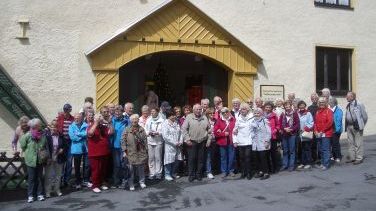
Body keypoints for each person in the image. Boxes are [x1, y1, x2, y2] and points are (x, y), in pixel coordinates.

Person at [20, 118, 48, 203]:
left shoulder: (43, 135)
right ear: (36, 126)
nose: (41, 126)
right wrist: (29, 152)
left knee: (39, 178)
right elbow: (23, 145)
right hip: (30, 160)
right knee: (31, 179)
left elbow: (44, 145)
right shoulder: (27, 135)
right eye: (40, 124)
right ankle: (31, 195)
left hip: (40, 159)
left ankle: (40, 194)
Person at [181, 104, 210, 182]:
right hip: (192, 142)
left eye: (200, 109)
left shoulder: (204, 117)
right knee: (191, 159)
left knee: (200, 159)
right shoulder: (189, 117)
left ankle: (198, 175)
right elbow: (184, 129)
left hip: (202, 141)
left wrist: (209, 140)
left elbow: (209, 130)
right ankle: (191, 175)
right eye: (197, 109)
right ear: (193, 110)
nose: (198, 111)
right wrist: (187, 139)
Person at [87, 109, 113, 193]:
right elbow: (90, 133)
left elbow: (111, 132)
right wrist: (96, 123)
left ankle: (101, 183)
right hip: (94, 153)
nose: (101, 119)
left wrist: (109, 123)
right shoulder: (90, 126)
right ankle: (95, 185)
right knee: (96, 170)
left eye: (101, 118)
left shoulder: (104, 127)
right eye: (99, 117)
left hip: (104, 152)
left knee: (102, 169)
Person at [121, 114, 148, 191]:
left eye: (136, 119)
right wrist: (124, 150)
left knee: (141, 168)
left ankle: (142, 182)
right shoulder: (127, 129)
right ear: (130, 120)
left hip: (141, 152)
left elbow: (145, 141)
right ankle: (131, 184)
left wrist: (146, 150)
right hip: (130, 152)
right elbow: (122, 140)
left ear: (138, 120)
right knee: (130, 169)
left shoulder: (142, 129)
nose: (135, 121)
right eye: (133, 119)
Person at [45, 120, 67, 198]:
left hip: (59, 157)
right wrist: (48, 157)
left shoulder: (61, 136)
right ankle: (48, 191)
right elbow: (44, 148)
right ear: (50, 127)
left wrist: (62, 149)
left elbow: (65, 145)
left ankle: (57, 189)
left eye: (56, 126)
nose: (54, 128)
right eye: (52, 126)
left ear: (58, 127)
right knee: (49, 175)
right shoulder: (46, 136)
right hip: (50, 158)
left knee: (58, 175)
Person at [345, 91, 368, 164]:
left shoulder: (359, 104)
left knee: (358, 142)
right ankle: (352, 157)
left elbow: (365, 117)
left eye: (347, 96)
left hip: (357, 126)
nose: (346, 97)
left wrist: (361, 125)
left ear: (352, 97)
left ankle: (359, 158)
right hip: (349, 126)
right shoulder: (348, 105)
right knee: (350, 142)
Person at [68, 113, 90, 189]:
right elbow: (72, 137)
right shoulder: (71, 126)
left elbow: (87, 134)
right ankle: (78, 181)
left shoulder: (86, 125)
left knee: (86, 165)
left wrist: (79, 134)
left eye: (78, 118)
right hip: (76, 149)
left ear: (81, 118)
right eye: (75, 118)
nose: (76, 119)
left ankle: (85, 180)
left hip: (86, 148)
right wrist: (82, 137)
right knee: (77, 167)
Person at [233, 103, 253, 179]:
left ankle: (249, 173)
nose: (242, 111)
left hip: (249, 141)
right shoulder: (238, 118)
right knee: (242, 158)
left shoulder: (252, 117)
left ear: (247, 110)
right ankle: (243, 172)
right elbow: (235, 130)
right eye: (241, 109)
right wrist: (235, 141)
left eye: (244, 109)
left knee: (248, 157)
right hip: (240, 141)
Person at [214, 107, 236, 178]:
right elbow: (215, 132)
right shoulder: (219, 121)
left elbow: (237, 129)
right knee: (223, 157)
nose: (225, 113)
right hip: (222, 142)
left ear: (229, 112)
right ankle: (224, 171)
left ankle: (231, 170)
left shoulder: (233, 120)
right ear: (221, 113)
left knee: (231, 157)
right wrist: (223, 134)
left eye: (227, 111)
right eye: (223, 112)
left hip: (231, 141)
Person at [161, 110, 183, 181]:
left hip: (177, 145)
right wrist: (174, 142)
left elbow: (181, 132)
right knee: (169, 160)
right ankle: (167, 174)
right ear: (169, 116)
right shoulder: (165, 124)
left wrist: (180, 141)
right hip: (170, 145)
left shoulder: (176, 123)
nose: (174, 116)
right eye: (173, 115)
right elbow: (165, 136)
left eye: (174, 115)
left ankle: (173, 173)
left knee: (176, 160)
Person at [111, 105, 129, 188]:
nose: (117, 113)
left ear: (122, 112)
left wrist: (128, 122)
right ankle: (116, 182)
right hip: (115, 146)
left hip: (124, 147)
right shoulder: (112, 120)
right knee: (116, 165)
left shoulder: (127, 121)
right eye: (116, 112)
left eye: (119, 111)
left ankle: (125, 181)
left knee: (124, 165)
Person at [251, 108, 271, 180]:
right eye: (255, 113)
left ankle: (266, 173)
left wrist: (267, 141)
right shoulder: (252, 121)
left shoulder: (264, 121)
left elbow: (268, 132)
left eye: (258, 113)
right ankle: (260, 171)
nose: (256, 114)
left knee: (263, 158)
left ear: (261, 114)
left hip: (263, 142)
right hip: (255, 143)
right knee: (257, 158)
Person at [57, 103, 74, 187]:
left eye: (68, 109)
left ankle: (67, 180)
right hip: (62, 141)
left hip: (70, 142)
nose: (66, 111)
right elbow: (55, 127)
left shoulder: (72, 119)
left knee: (69, 161)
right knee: (62, 162)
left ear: (70, 110)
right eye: (65, 109)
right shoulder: (59, 118)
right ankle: (60, 180)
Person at [280, 100, 300, 171]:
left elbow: (297, 124)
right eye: (286, 105)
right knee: (285, 151)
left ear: (291, 105)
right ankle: (285, 165)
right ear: (284, 107)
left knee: (292, 150)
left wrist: (291, 129)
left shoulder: (295, 114)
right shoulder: (282, 114)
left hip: (292, 134)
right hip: (284, 135)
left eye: (288, 105)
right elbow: (279, 124)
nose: (287, 107)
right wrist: (284, 128)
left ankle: (291, 165)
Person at [314, 97, 333, 170]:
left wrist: (322, 131)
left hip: (326, 133)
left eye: (323, 102)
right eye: (320, 102)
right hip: (318, 133)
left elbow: (329, 122)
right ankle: (322, 163)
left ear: (326, 103)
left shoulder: (329, 111)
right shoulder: (317, 112)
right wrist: (315, 131)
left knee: (325, 149)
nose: (321, 103)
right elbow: (315, 123)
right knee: (321, 149)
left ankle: (326, 164)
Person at [145, 107, 164, 180]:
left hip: (158, 141)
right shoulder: (148, 120)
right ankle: (152, 173)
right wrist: (148, 133)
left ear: (157, 112)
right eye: (151, 111)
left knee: (158, 158)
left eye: (153, 111)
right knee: (151, 158)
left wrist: (158, 133)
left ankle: (158, 173)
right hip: (150, 141)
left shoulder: (162, 120)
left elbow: (163, 131)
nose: (152, 113)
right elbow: (145, 130)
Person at [296, 101, 314, 170]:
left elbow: (311, 123)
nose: (302, 106)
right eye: (300, 105)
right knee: (302, 149)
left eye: (303, 105)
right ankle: (303, 162)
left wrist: (305, 129)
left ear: (305, 105)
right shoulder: (297, 113)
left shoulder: (308, 113)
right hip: (299, 133)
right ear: (298, 106)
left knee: (307, 148)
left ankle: (308, 163)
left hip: (306, 133)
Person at [264, 101, 280, 173]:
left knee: (273, 153)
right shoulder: (262, 115)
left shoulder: (274, 115)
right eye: (266, 107)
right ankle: (268, 168)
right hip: (264, 137)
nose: (268, 108)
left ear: (271, 108)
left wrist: (275, 130)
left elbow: (278, 125)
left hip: (273, 137)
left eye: (269, 107)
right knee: (266, 153)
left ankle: (275, 168)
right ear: (264, 108)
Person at [329, 97, 343, 163]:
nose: (330, 103)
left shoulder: (338, 110)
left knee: (335, 143)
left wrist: (336, 130)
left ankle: (338, 156)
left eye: (331, 102)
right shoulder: (329, 110)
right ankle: (333, 156)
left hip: (336, 130)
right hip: (330, 129)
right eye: (329, 102)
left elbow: (338, 121)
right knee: (331, 143)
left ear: (335, 103)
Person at [308, 92, 320, 163]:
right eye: (313, 98)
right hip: (312, 128)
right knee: (313, 143)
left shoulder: (320, 106)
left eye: (315, 98)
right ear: (311, 99)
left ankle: (320, 157)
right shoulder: (309, 108)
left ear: (317, 99)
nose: (314, 99)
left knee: (320, 144)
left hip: (320, 127)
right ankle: (314, 158)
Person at [205, 108, 217, 179]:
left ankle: (211, 170)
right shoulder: (205, 121)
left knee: (212, 156)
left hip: (215, 141)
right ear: (207, 114)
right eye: (210, 113)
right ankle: (208, 172)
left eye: (213, 113)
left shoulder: (216, 121)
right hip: (208, 141)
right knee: (208, 157)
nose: (212, 114)